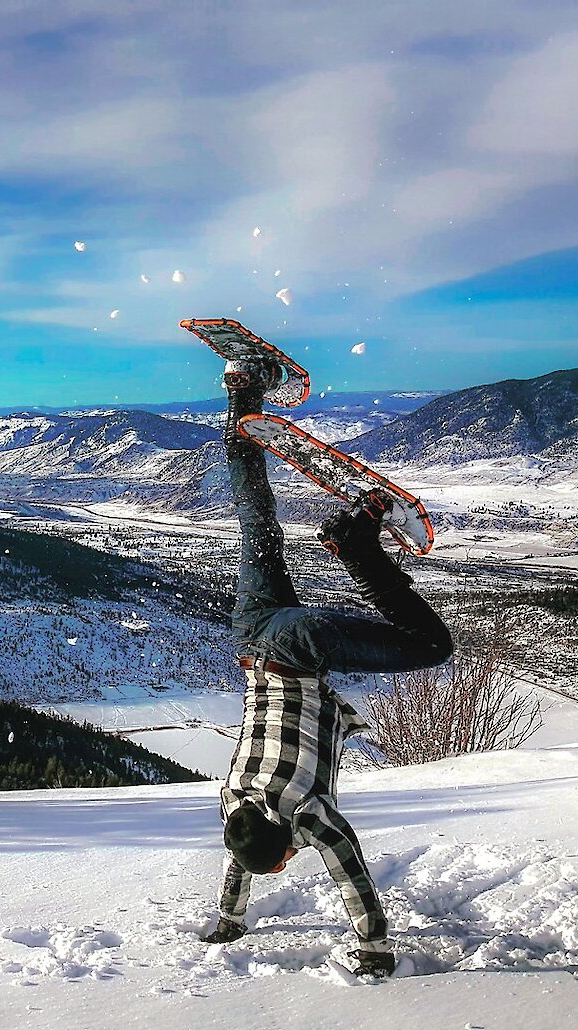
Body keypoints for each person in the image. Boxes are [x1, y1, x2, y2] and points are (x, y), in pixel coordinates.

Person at [202, 357, 454, 977]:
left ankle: (356, 541)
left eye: (284, 859)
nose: (288, 862)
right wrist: (229, 918)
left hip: (297, 649)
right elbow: (239, 855)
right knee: (255, 521)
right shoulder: (236, 804)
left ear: (285, 845)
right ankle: (242, 389)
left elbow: (353, 875)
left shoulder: (306, 816)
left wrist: (372, 948)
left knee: (430, 647)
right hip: (252, 635)